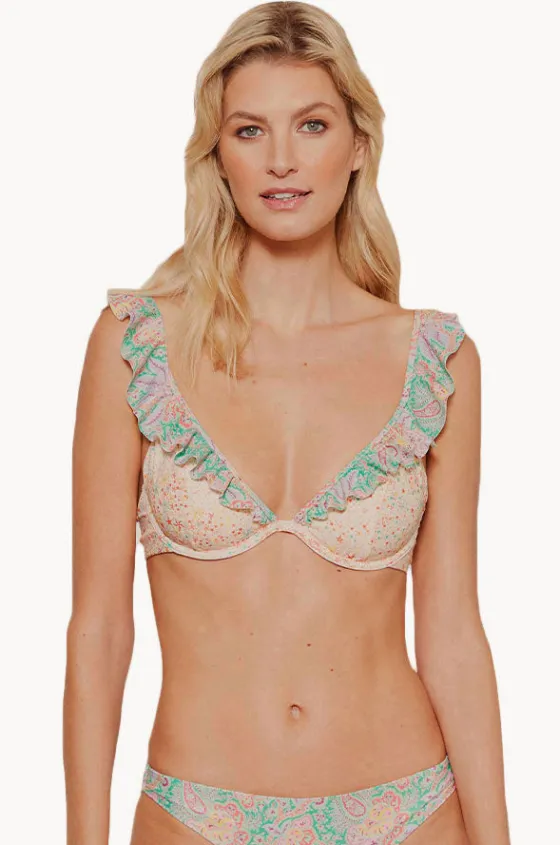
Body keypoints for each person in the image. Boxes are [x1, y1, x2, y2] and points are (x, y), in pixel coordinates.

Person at [63, 3, 511, 844]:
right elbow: (99, 629)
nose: (281, 159)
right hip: (198, 811)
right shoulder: (134, 345)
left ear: (359, 146)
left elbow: (453, 632)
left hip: (408, 808)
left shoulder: (437, 360)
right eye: (249, 130)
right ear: (217, 155)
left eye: (311, 125)